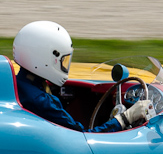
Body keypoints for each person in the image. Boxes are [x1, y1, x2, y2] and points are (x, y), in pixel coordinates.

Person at [13, 21, 152, 133]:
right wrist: (125, 118)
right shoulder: (42, 102)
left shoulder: (18, 84)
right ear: (43, 58)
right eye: (63, 60)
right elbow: (84, 137)